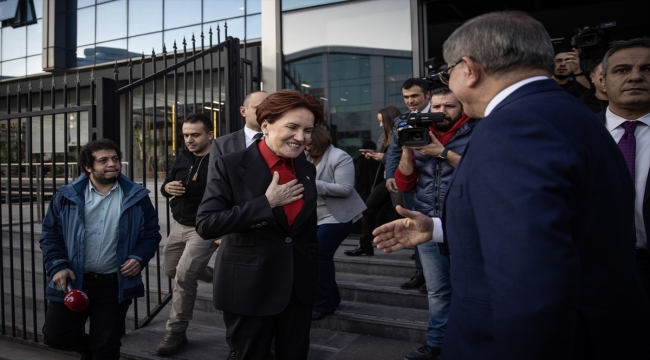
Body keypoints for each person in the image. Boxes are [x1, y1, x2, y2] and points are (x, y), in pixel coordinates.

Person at [372, 11, 650, 359]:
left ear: (469, 69)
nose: (449, 83)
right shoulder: (568, 113)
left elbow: (530, 284)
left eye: (448, 72)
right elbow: (552, 228)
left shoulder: (513, 127)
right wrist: (438, 228)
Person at [196, 89, 323, 360]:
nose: (301, 137)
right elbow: (207, 223)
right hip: (249, 289)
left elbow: (307, 232)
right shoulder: (229, 165)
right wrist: (265, 204)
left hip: (297, 292)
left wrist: (310, 273)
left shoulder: (306, 169)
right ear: (265, 125)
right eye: (292, 126)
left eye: (308, 130)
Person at [40, 139, 161, 360]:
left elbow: (151, 233)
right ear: (88, 167)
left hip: (113, 283)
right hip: (73, 280)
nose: (112, 164)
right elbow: (50, 234)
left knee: (106, 346)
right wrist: (57, 265)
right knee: (56, 336)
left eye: (114, 159)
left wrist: (139, 256)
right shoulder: (67, 196)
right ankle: (91, 351)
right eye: (103, 160)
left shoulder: (136, 196)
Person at [394, 86, 476, 360]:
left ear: (462, 106)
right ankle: (436, 344)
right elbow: (405, 183)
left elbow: (484, 174)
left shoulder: (477, 131)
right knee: (438, 292)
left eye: (449, 107)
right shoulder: (421, 133)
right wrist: (407, 150)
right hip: (428, 222)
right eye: (437, 107)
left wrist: (442, 152)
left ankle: (469, 344)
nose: (441, 113)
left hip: (468, 226)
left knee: (471, 290)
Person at [155, 113, 216, 355]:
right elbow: (168, 183)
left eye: (195, 135)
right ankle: (221, 276)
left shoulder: (219, 160)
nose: (189, 140)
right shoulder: (182, 157)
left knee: (183, 276)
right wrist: (166, 187)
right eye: (185, 135)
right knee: (170, 269)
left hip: (204, 227)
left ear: (210, 135)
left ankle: (176, 332)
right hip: (179, 225)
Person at [596, 38, 650, 300]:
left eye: (648, 69)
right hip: (595, 273)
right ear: (602, 81)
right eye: (622, 70)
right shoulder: (574, 133)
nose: (636, 77)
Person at [306, 126, 366, 321]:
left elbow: (346, 189)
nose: (307, 148)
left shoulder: (340, 157)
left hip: (340, 215)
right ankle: (333, 297)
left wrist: (311, 184)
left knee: (320, 255)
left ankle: (324, 304)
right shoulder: (306, 157)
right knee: (316, 256)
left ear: (320, 141)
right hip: (317, 215)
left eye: (310, 144)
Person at [384, 78, 431, 291]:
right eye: (406, 97)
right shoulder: (401, 120)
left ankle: (435, 275)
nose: (410, 101)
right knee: (414, 225)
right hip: (410, 181)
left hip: (437, 180)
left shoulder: (442, 113)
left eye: (414, 96)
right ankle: (421, 272)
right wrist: (390, 175)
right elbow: (394, 149)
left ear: (426, 95)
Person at [344, 105, 401, 256]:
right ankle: (365, 245)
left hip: (401, 181)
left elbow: (407, 160)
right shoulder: (384, 138)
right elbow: (387, 160)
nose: (380, 125)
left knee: (404, 213)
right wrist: (374, 155)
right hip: (385, 180)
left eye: (382, 121)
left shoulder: (403, 135)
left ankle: (418, 249)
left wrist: (383, 157)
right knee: (367, 209)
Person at [207, 91, 269, 169]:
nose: (265, 112)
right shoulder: (222, 144)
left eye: (269, 108)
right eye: (258, 108)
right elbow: (214, 179)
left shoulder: (281, 140)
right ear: (243, 111)